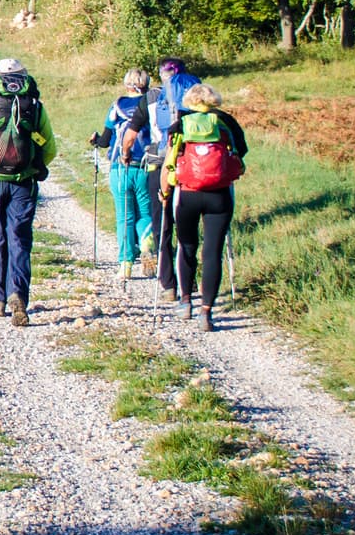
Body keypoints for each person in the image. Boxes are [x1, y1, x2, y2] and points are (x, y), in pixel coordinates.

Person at [0, 57, 58, 326]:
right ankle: (18, 292)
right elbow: (49, 148)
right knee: (19, 237)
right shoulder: (35, 106)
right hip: (24, 183)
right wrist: (31, 166)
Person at [160, 83, 248, 332]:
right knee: (212, 252)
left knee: (187, 246)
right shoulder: (225, 123)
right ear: (214, 100)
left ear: (190, 101)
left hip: (187, 194)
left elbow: (170, 161)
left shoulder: (180, 125)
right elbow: (240, 155)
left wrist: (165, 191)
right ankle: (206, 313)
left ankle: (186, 301)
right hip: (219, 196)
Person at [88, 69, 154, 280]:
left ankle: (125, 265)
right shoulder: (152, 105)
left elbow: (106, 140)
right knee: (145, 212)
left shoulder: (117, 105)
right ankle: (146, 244)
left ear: (127, 85)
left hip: (120, 167)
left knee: (124, 216)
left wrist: (95, 140)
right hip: (146, 165)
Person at [144, 57, 200, 300]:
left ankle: (168, 284)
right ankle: (191, 281)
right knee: (189, 229)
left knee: (163, 226)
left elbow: (136, 127)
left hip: (161, 166)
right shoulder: (199, 95)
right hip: (192, 168)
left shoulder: (152, 97)